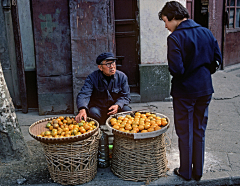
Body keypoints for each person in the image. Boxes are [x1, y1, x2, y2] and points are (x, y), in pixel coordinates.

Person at [158, 1, 222, 181]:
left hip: (184, 92)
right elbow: (217, 59)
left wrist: (187, 74)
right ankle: (198, 172)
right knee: (199, 129)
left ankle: (185, 172)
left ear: (173, 17)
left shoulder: (175, 38)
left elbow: (176, 70)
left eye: (165, 21)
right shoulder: (206, 32)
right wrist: (203, 72)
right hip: (204, 89)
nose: (166, 26)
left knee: (185, 132)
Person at [75, 52, 131, 125]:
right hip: (99, 109)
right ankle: (100, 127)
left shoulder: (122, 77)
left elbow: (126, 96)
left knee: (127, 110)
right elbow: (84, 94)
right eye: (108, 64)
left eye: (113, 63)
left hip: (115, 109)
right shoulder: (92, 78)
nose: (112, 66)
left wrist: (118, 105)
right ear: (100, 67)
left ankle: (116, 126)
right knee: (93, 112)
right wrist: (82, 109)